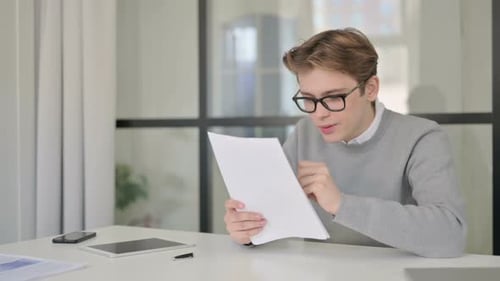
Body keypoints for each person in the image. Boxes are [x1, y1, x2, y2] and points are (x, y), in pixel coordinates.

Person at [223, 27, 467, 258]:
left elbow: (450, 235)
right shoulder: (305, 132)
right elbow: (273, 214)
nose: (319, 114)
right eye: (308, 99)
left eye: (333, 97)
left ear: (370, 89)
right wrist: (247, 230)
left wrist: (342, 204)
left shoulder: (422, 138)